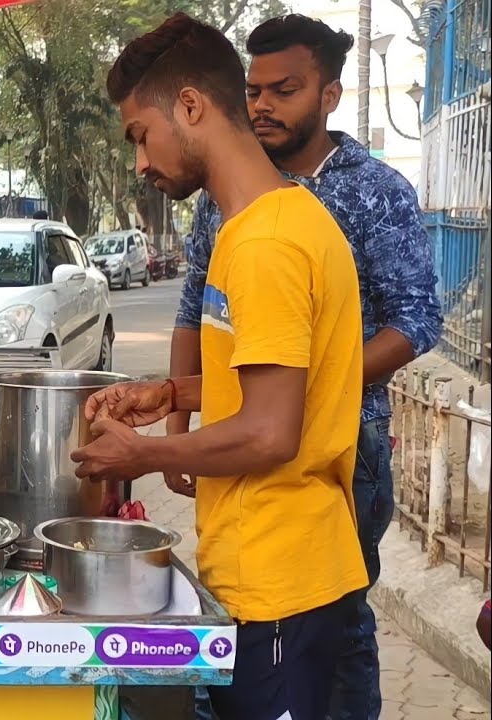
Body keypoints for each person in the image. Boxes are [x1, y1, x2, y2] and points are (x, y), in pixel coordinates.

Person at [73, 13, 368, 719]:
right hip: (269, 576)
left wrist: (142, 455)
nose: (140, 163)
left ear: (192, 107)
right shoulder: (256, 227)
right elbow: (273, 378)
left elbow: (271, 431)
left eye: (141, 135)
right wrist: (172, 390)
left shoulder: (267, 244)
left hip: (283, 586)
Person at [166, 16, 442, 720]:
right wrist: (178, 420)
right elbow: (194, 304)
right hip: (247, 436)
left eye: (283, 90)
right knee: (249, 613)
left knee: (338, 624)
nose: (262, 106)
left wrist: (298, 394)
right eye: (253, 90)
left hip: (346, 442)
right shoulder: (228, 186)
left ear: (329, 95)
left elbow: (414, 320)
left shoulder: (376, 191)